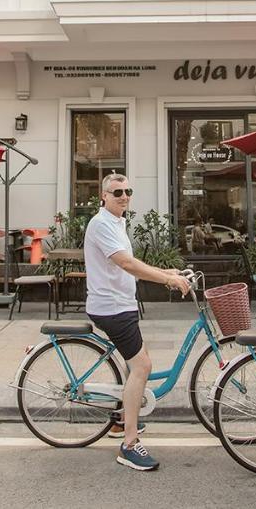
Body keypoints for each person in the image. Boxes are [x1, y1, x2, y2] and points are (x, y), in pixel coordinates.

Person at [84, 173, 191, 471]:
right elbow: (127, 264)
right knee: (142, 366)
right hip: (112, 308)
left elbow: (131, 264)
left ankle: (122, 419)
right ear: (103, 195)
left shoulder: (117, 222)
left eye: (127, 190)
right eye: (117, 191)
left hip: (122, 304)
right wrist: (167, 279)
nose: (123, 195)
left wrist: (167, 271)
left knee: (134, 366)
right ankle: (129, 445)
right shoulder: (101, 223)